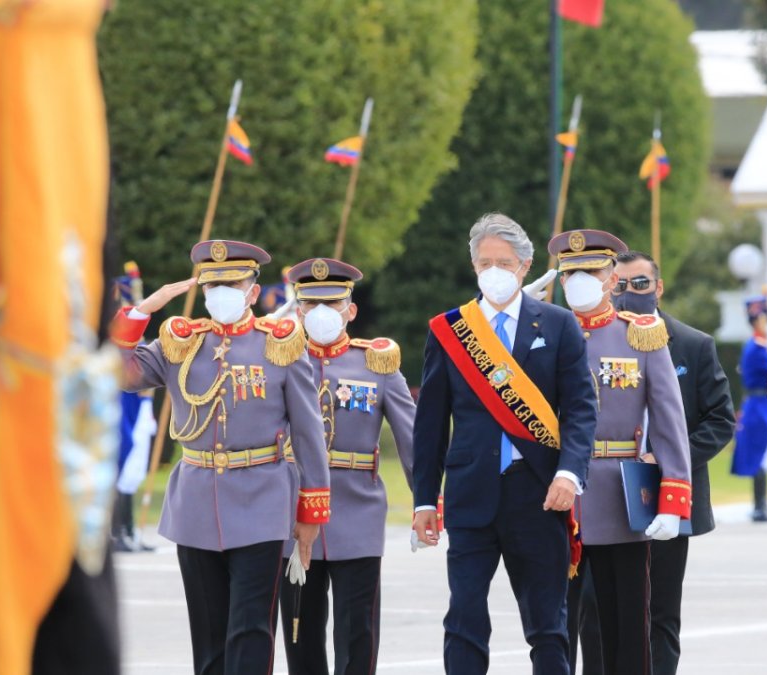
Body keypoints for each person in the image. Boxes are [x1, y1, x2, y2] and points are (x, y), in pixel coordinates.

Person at [109, 239, 331, 674]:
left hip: (262, 500)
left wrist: (311, 511)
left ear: (253, 291)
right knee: (208, 638)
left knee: (251, 630)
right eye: (213, 286)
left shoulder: (280, 344)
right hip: (196, 505)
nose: (222, 293)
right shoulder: (180, 342)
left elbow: (308, 434)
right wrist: (141, 312)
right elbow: (119, 372)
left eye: (233, 284)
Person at [411, 213, 598, 674]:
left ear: (525, 266)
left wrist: (569, 474)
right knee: (464, 620)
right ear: (473, 266)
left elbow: (580, 409)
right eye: (485, 262)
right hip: (470, 493)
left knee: (548, 625)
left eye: (504, 262)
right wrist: (424, 500)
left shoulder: (557, 325)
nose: (494, 271)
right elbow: (430, 424)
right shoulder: (450, 330)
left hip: (539, 494)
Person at [551, 231, 692, 675]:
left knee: (627, 623)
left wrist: (673, 498)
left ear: (613, 279)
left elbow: (669, 422)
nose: (580, 280)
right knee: (552, 627)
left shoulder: (640, 336)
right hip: (556, 493)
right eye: (571, 272)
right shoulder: (542, 334)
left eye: (591, 271)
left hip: (619, 493)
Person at [278, 257, 416, 675]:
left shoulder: (376, 363)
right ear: (298, 310)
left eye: (332, 304)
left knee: (358, 635)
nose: (320, 313)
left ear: (350, 310)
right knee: (300, 633)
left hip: (357, 512)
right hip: (292, 511)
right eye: (310, 304)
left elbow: (411, 437)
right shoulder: (279, 360)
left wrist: (429, 498)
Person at [612, 250, 736, 675]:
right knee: (599, 605)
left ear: (659, 287)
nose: (629, 293)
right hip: (609, 487)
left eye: (640, 284)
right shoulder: (592, 340)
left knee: (660, 608)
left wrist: (667, 458)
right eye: (619, 285)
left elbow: (720, 420)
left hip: (668, 490)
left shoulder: (692, 344)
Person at [111, 261, 158, 553]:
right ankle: (116, 531)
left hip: (138, 404)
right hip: (121, 402)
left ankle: (127, 529)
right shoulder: (115, 328)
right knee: (122, 460)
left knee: (134, 465)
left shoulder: (135, 330)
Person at [733, 294, 767, 522]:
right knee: (761, 455)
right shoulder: (757, 348)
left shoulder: (758, 345)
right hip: (759, 405)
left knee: (763, 454)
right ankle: (760, 507)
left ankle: (761, 505)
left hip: (762, 404)